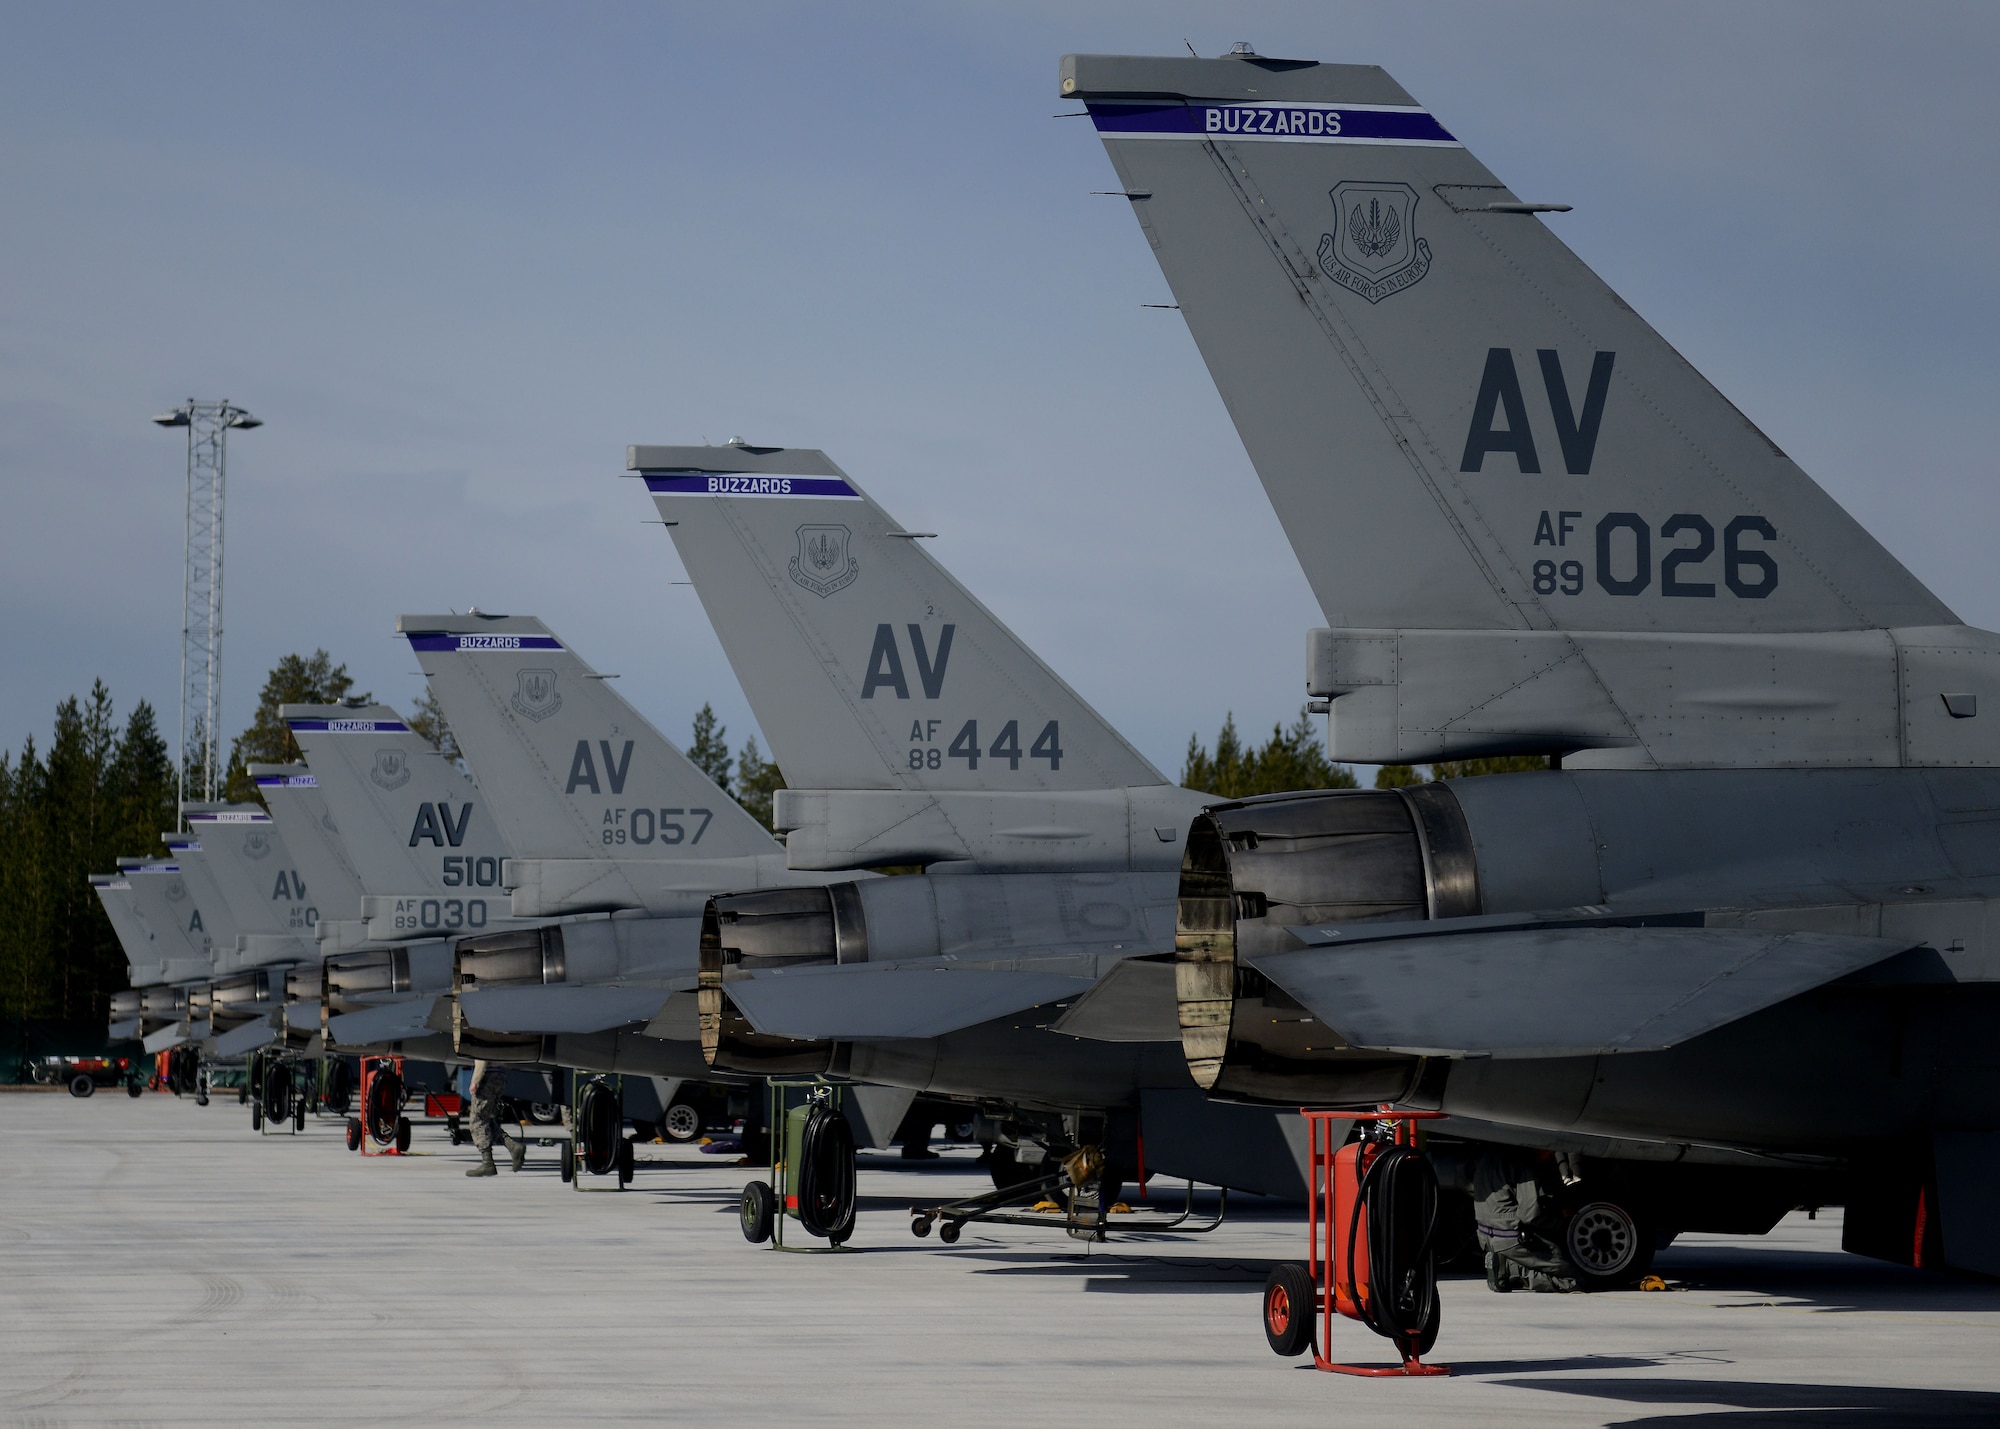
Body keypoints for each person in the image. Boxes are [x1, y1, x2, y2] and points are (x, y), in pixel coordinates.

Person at [465, 1059, 526, 1177]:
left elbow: (481, 1058)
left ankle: (487, 1163)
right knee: (486, 1120)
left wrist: (475, 1081)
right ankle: (512, 1146)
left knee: (478, 1121)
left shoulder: (482, 1039)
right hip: (499, 1075)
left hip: (487, 1077)